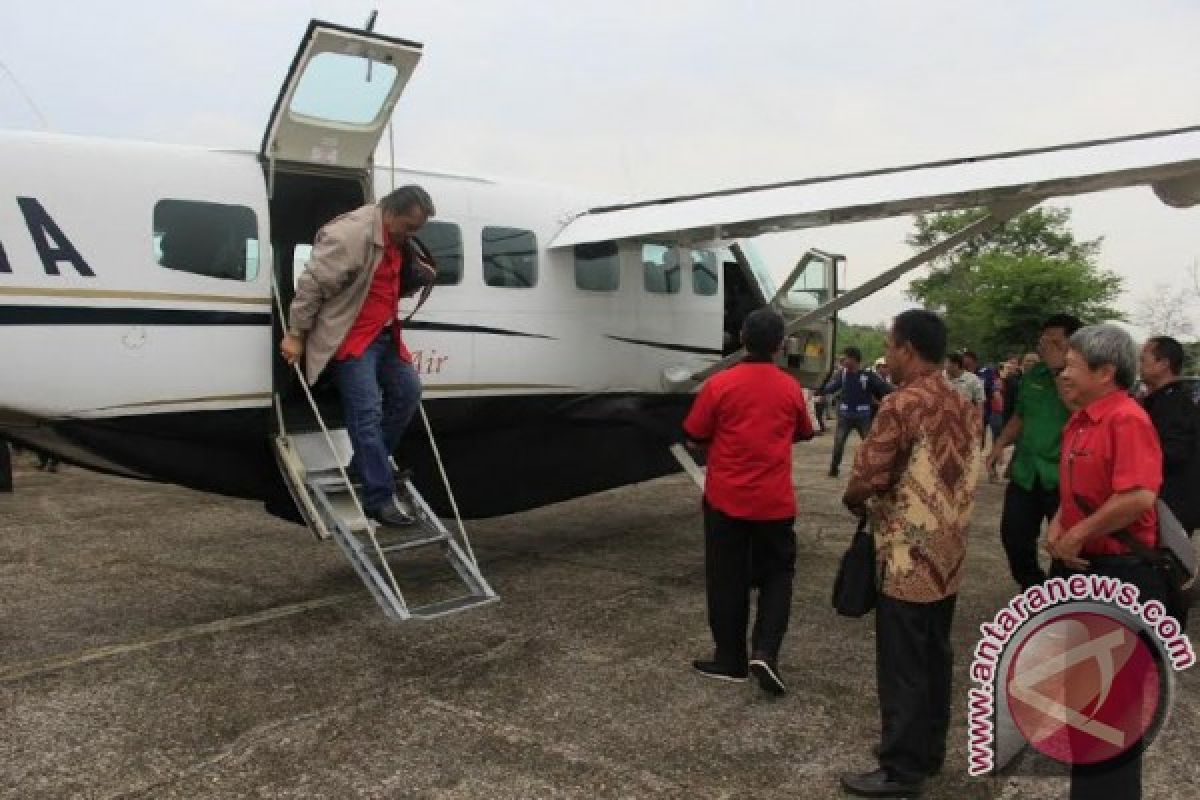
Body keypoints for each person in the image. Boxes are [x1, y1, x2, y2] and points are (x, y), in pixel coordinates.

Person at [839, 310, 982, 798]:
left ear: (908, 349)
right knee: (935, 655)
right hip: (950, 554)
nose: (889, 355)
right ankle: (930, 750)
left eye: (891, 345)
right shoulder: (964, 403)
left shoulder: (902, 404)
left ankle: (900, 770)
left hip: (906, 557)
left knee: (900, 663)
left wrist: (854, 499)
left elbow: (869, 476)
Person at [1045, 324, 1166, 800]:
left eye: (1072, 364)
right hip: (1082, 573)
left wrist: (1077, 532)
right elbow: (1081, 493)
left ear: (1106, 371)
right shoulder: (1080, 419)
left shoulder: (1125, 419)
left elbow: (1138, 495)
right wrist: (1060, 526)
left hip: (1119, 578)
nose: (1063, 371)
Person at [281, 186, 437, 529]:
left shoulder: (395, 238)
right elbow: (312, 285)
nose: (410, 236)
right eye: (408, 227)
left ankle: (365, 465)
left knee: (408, 392)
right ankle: (378, 498)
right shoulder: (351, 234)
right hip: (352, 338)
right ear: (391, 213)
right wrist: (296, 334)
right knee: (366, 412)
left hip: (384, 335)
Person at [683, 308, 814, 696]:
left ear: (742, 338)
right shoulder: (790, 387)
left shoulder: (720, 385)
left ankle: (730, 659)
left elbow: (693, 434)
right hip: (774, 502)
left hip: (726, 499)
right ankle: (766, 652)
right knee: (778, 574)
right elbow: (805, 432)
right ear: (779, 345)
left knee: (727, 579)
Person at [985, 314, 1083, 589]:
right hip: (1027, 472)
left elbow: (1082, 415)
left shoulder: (1084, 378)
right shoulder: (1033, 375)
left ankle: (1058, 597)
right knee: (1013, 536)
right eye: (1045, 339)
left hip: (1062, 476)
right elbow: (1020, 416)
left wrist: (1058, 372)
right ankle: (1033, 587)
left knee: (1064, 544)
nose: (1047, 346)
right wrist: (999, 445)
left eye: (1056, 341)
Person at [1139, 335, 1199, 537]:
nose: (1139, 365)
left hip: (1172, 504)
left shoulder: (1176, 404)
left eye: (1143, 360)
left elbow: (1174, 452)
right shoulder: (1156, 400)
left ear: (1163, 364)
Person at [823, 347, 892, 477]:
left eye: (846, 358)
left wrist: (898, 392)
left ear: (854, 360)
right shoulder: (842, 375)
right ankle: (834, 469)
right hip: (845, 416)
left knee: (869, 445)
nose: (843, 361)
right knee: (838, 443)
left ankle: (872, 470)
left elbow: (883, 387)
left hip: (863, 417)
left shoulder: (867, 375)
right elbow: (831, 388)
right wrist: (819, 389)